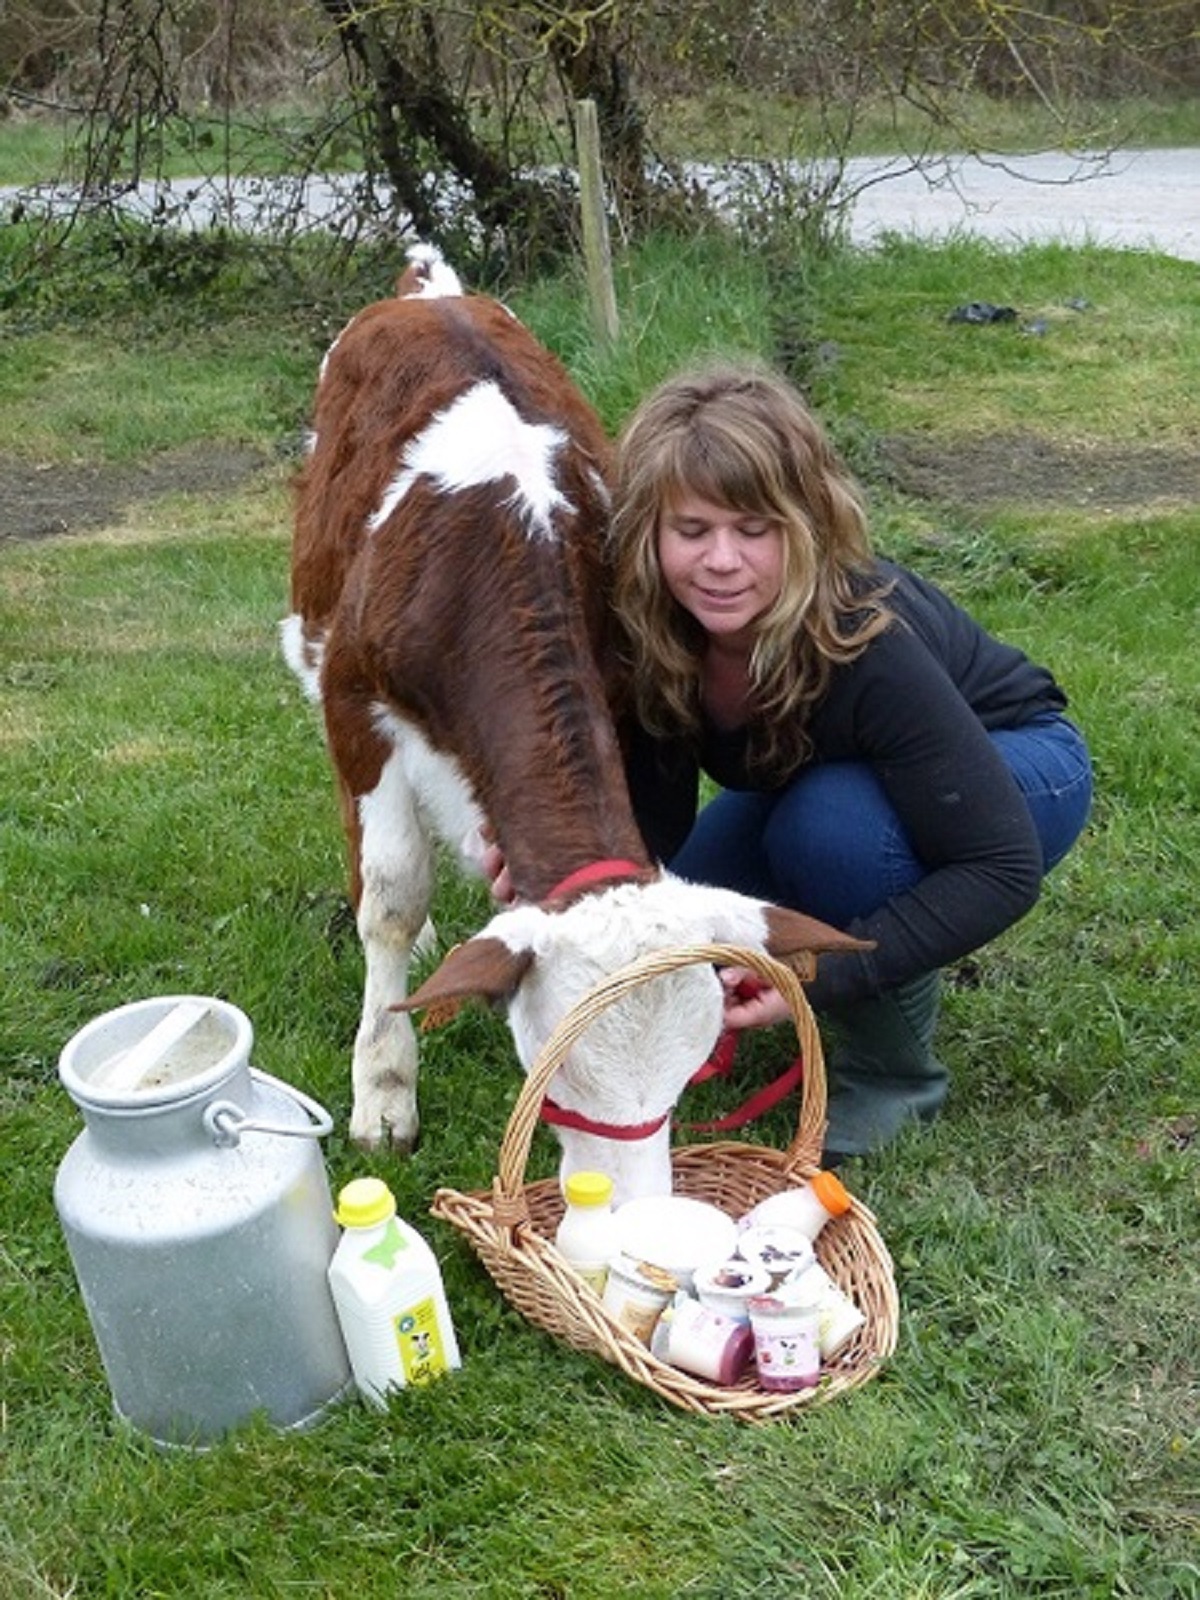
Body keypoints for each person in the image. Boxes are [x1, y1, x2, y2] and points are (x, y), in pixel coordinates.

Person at [601, 361, 1093, 1162]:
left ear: (806, 523)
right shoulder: (658, 630)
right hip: (828, 780)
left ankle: (894, 1074)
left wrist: (810, 974)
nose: (721, 560)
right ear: (649, 533)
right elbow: (653, 827)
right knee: (685, 903)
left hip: (1021, 766)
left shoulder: (867, 639)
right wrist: (570, 868)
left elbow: (1001, 870)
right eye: (692, 530)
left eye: (753, 529)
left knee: (831, 835)